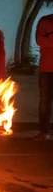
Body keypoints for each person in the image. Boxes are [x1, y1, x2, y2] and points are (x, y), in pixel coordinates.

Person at [34, 13, 53, 141]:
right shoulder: (45, 20)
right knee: (45, 102)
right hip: (47, 69)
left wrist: (50, 37)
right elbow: (39, 41)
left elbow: (45, 40)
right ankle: (44, 132)